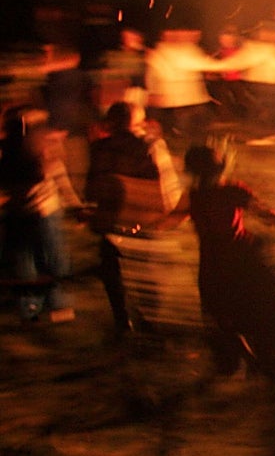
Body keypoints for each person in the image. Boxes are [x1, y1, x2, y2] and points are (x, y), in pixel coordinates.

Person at [183, 145, 275, 375]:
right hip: (239, 261)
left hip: (212, 264)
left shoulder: (195, 197)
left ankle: (248, 361)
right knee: (247, 316)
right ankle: (255, 362)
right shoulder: (232, 192)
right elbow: (270, 218)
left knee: (222, 318)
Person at [85, 100, 182, 335]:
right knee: (145, 272)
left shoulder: (100, 148)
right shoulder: (150, 147)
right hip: (141, 218)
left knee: (111, 270)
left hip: (110, 220)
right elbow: (164, 185)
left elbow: (90, 190)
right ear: (137, 122)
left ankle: (122, 319)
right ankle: (150, 321)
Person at [0, 106, 75, 322]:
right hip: (44, 212)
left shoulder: (8, 149)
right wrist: (73, 204)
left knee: (25, 261)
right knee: (50, 259)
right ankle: (56, 306)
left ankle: (30, 309)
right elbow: (57, 175)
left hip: (18, 212)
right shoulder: (39, 146)